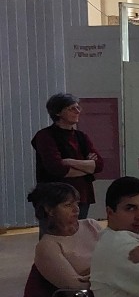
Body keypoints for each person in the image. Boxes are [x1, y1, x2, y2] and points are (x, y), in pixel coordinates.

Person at [22, 182, 103, 297]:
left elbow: (116, 255)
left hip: (108, 289)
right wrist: (107, 268)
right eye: (68, 205)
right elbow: (75, 285)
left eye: (77, 203)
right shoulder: (48, 246)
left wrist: (94, 271)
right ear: (49, 210)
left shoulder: (91, 225)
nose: (76, 209)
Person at [31, 93, 103, 225]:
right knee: (54, 233)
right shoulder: (45, 136)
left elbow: (99, 165)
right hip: (55, 198)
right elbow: (57, 168)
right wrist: (87, 168)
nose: (77, 111)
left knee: (78, 233)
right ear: (58, 112)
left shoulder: (81, 136)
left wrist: (70, 161)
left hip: (81, 195)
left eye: (78, 107)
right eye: (71, 108)